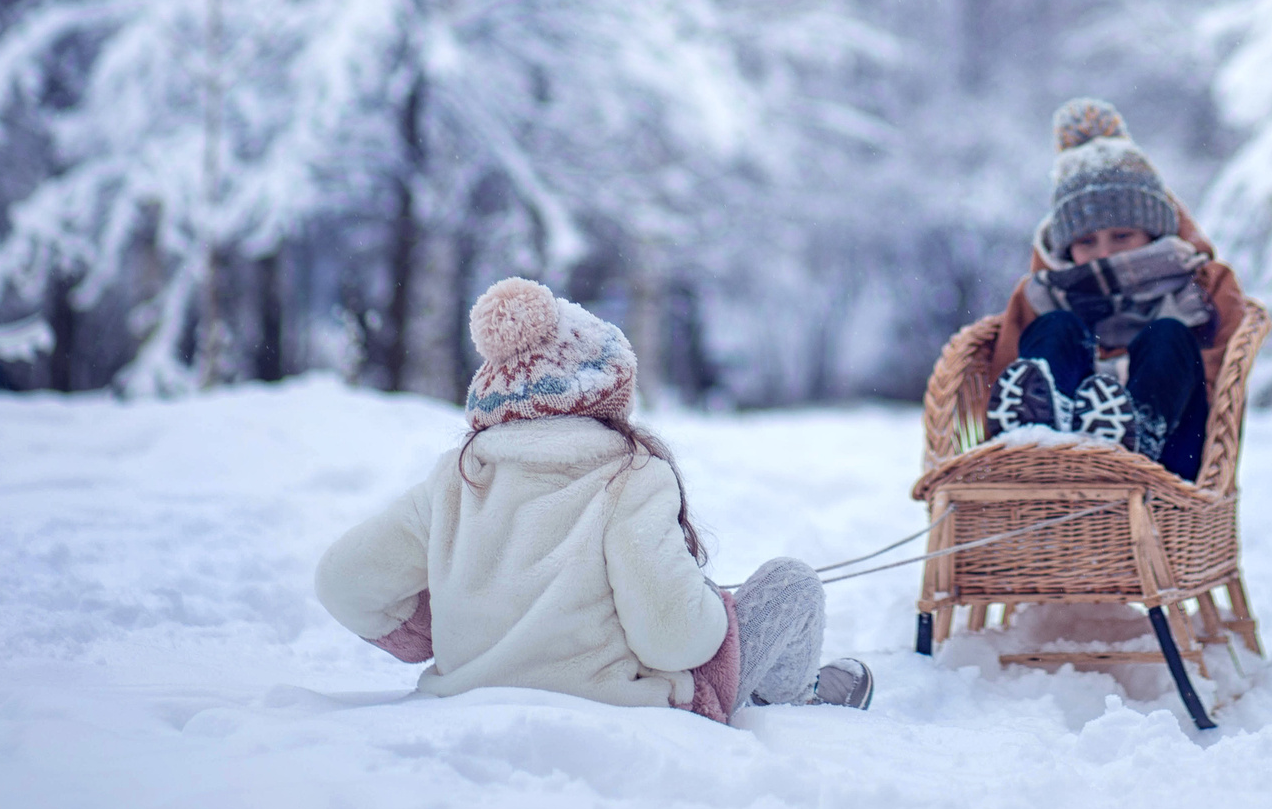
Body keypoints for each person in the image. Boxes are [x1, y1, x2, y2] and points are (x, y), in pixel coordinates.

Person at [315, 276, 872, 721]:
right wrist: (711, 611)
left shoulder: (457, 478)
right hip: (623, 708)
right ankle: (796, 700)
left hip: (467, 699)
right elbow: (674, 640)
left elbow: (343, 581)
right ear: (608, 393)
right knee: (792, 584)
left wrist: (452, 622)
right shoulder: (629, 474)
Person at [982, 99, 1246, 479]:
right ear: (1065, 248)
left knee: (1168, 336)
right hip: (1053, 467)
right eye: (1086, 242)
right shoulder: (1042, 296)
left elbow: (1222, 389)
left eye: (1122, 236)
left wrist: (1129, 381)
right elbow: (1002, 379)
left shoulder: (1199, 286)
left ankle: (1135, 435)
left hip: (1166, 463)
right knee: (1056, 328)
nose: (1104, 254)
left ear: (1154, 233)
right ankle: (1035, 437)